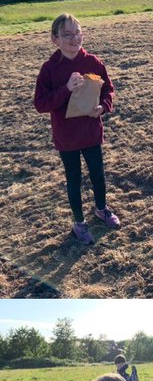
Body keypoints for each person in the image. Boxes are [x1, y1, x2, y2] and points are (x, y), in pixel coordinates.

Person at [34, 13, 119, 245]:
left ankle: (101, 209)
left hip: (91, 131)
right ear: (55, 39)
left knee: (98, 174)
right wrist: (66, 89)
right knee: (74, 179)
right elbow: (41, 104)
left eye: (77, 33)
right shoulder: (49, 69)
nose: (74, 39)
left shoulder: (93, 62)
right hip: (66, 137)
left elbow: (108, 89)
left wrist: (103, 107)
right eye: (67, 35)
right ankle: (79, 223)